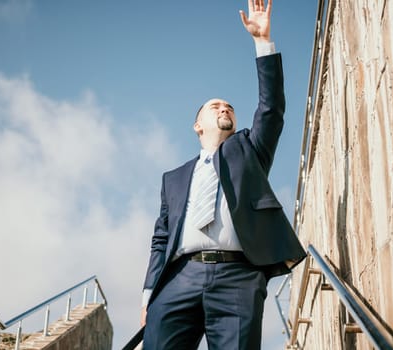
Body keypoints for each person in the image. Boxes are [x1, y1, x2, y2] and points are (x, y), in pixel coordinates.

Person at [140, 0, 306, 348]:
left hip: (238, 277)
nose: (224, 107)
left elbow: (271, 109)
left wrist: (263, 43)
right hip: (178, 279)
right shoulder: (173, 178)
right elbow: (160, 239)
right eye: (214, 106)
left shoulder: (249, 150)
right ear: (197, 125)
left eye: (228, 105)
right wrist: (148, 295)